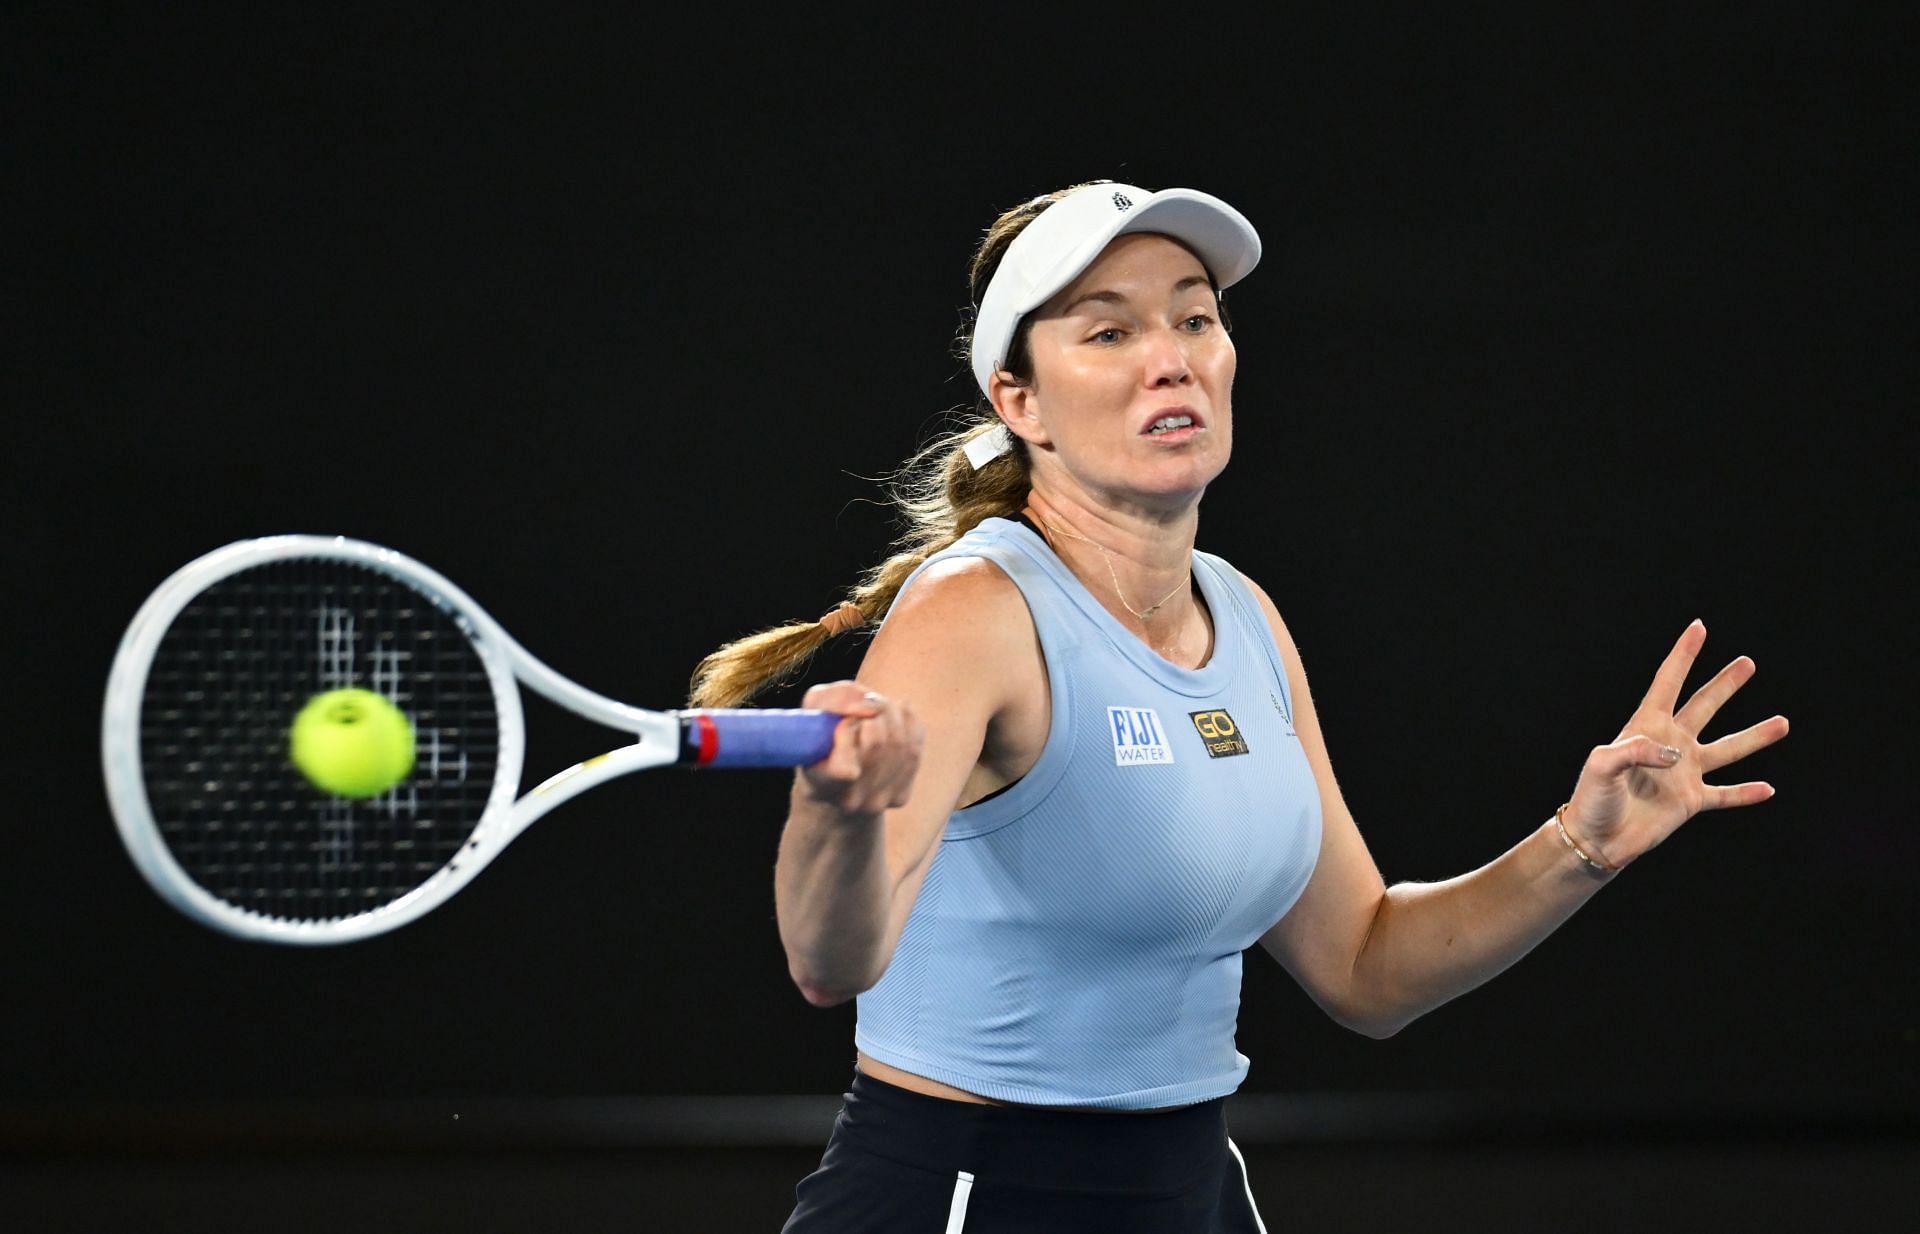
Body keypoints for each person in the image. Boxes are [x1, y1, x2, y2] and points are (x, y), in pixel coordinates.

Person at [689, 181, 1789, 1233]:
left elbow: (1368, 968)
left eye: (1195, 319)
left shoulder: (1246, 616)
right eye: (1108, 331)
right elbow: (831, 960)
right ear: (1019, 401)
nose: (1170, 358)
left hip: (1192, 1194)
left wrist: (1577, 846)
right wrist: (835, 815)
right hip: (974, 1198)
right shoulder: (973, 611)